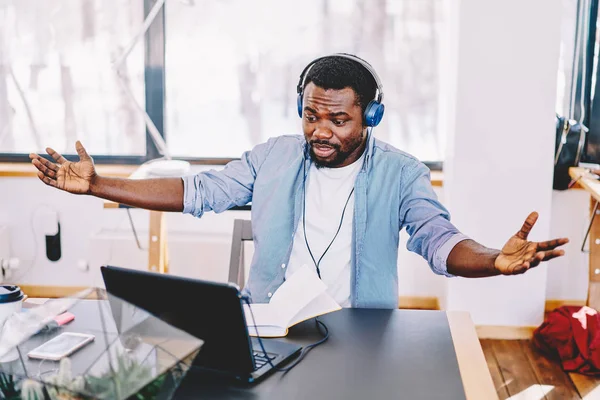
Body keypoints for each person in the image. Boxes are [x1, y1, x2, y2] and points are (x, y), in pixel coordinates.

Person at [30, 53, 569, 309]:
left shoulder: (402, 174)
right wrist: (99, 185)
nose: (321, 131)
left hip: (361, 331)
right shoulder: (273, 157)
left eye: (339, 120)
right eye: (312, 115)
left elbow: (439, 240)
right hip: (267, 324)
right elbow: (198, 192)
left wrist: (493, 260)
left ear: (371, 118)